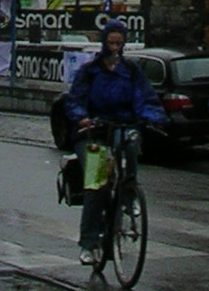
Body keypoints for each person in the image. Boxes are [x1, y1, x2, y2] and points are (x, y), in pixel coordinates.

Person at [63, 18, 166, 262]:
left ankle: (128, 194)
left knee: (131, 142)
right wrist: (82, 117)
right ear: (104, 42)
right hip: (94, 131)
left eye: (119, 43)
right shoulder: (90, 71)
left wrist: (153, 117)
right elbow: (75, 99)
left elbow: (146, 97)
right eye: (111, 43)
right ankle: (89, 243)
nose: (115, 48)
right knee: (97, 183)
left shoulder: (131, 71)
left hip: (121, 124)